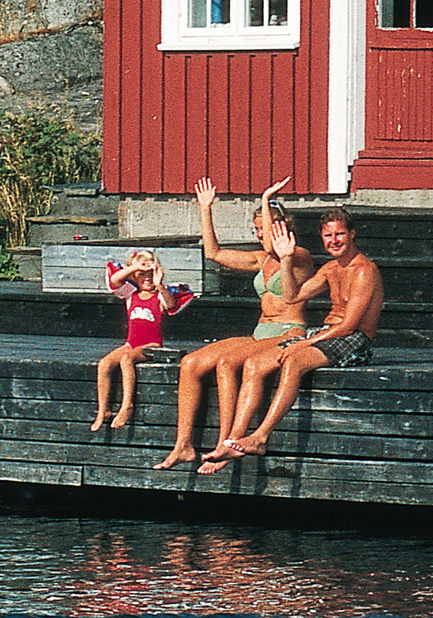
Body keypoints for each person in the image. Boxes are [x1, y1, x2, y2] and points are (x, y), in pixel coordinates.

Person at [200, 205, 383, 473]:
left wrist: (307, 342)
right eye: (328, 236)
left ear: (352, 234)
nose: (333, 241)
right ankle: (233, 441)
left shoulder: (364, 270)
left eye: (339, 235)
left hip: (355, 340)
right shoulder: (330, 269)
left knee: (293, 361)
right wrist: (285, 260)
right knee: (254, 364)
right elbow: (292, 296)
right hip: (326, 334)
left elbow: (349, 326)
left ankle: (261, 437)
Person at [151, 176, 315, 469]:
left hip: (289, 332)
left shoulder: (299, 257)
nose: (258, 236)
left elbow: (275, 249)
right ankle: (184, 445)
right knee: (190, 363)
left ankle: (225, 445)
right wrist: (205, 209)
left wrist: (265, 200)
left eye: (262, 229)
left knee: (227, 363)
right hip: (259, 334)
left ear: (280, 230)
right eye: (255, 230)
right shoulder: (260, 262)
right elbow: (213, 253)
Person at [89, 250, 194, 431]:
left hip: (152, 344)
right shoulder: (131, 295)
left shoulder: (159, 296)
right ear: (134, 277)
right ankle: (103, 410)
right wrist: (134, 267)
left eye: (150, 274)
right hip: (131, 343)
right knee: (104, 364)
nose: (147, 278)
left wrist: (159, 284)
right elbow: (115, 281)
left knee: (126, 359)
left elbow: (170, 305)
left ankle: (127, 405)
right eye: (141, 275)